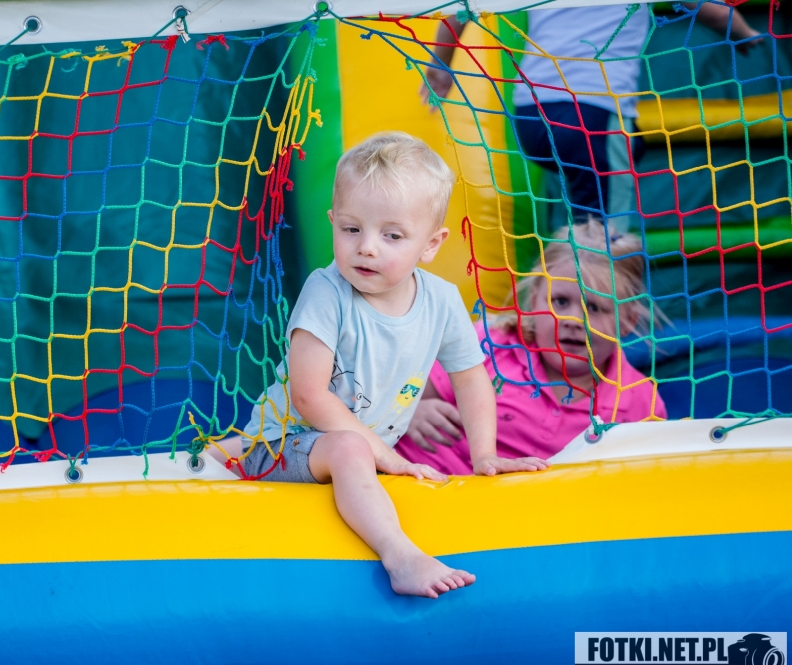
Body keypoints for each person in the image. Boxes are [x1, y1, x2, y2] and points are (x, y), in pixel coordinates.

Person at [226, 132, 545, 599]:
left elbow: (471, 377)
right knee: (349, 449)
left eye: (391, 236)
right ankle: (401, 557)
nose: (367, 248)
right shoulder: (325, 292)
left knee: (351, 449)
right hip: (284, 443)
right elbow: (308, 396)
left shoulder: (441, 300)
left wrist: (485, 454)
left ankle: (226, 451)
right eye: (351, 229)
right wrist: (385, 455)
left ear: (431, 244)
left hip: (345, 447)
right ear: (332, 222)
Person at [421, 4, 761, 229]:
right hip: (590, 113)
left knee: (585, 218)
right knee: (606, 234)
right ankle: (592, 308)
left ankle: (566, 294)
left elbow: (461, 8)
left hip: (531, 115)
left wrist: (440, 63)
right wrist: (745, 33)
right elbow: (715, 13)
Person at [396, 221, 667, 475]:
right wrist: (411, 413)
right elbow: (400, 393)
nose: (573, 320)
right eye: (560, 301)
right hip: (431, 482)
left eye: (594, 307)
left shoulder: (639, 401)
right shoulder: (490, 345)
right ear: (534, 300)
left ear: (628, 321)